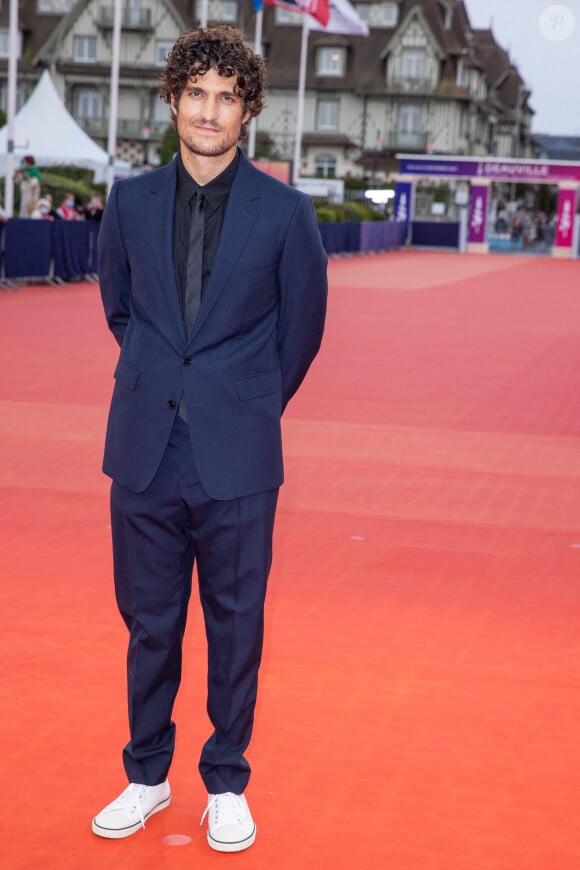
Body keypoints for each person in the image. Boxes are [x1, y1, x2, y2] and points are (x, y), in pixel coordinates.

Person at [92, 24, 328, 854]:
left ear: (248, 111)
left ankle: (226, 780)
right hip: (145, 450)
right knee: (150, 624)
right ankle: (147, 776)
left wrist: (241, 401)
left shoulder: (287, 213)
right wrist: (167, 380)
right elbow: (121, 309)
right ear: (173, 100)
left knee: (237, 624)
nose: (209, 110)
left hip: (237, 453)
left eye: (227, 97)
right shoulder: (129, 202)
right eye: (197, 92)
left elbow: (300, 334)